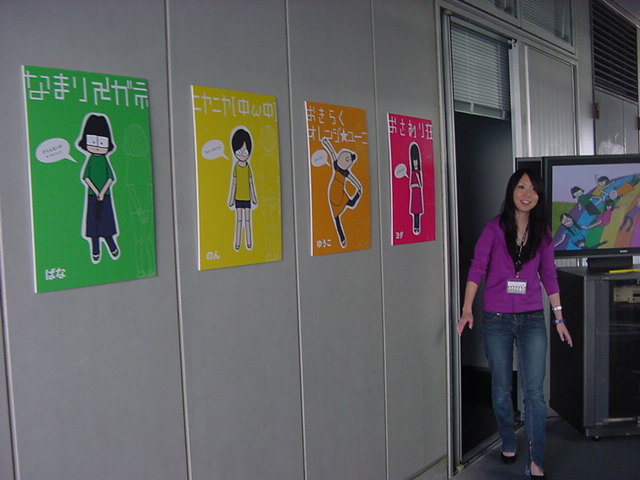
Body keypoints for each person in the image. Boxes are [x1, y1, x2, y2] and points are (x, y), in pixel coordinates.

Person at [457, 168, 573, 480]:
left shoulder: (543, 233)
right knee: (501, 388)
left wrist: (559, 317)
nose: (527, 194)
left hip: (532, 318)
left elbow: (549, 275)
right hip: (496, 319)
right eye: (522, 187)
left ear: (539, 196)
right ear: (512, 191)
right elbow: (477, 268)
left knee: (534, 393)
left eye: (533, 190)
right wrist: (467, 309)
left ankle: (536, 460)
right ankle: (508, 439)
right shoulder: (494, 229)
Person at [77, 113, 120, 263]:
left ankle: (112, 247)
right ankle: (95, 251)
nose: (96, 146)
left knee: (106, 224)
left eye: (101, 142)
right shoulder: (91, 160)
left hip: (105, 196)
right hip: (92, 196)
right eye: (93, 141)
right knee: (93, 226)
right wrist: (96, 192)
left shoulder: (104, 160)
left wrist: (102, 192)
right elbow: (86, 178)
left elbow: (110, 178)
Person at [227, 127, 258, 251]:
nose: (241, 154)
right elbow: (233, 183)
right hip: (238, 198)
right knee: (239, 220)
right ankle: (238, 243)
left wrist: (254, 197)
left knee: (248, 220)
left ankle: (249, 242)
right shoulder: (236, 167)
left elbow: (251, 183)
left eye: (245, 152)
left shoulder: (248, 167)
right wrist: (231, 199)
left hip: (247, 198)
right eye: (239, 151)